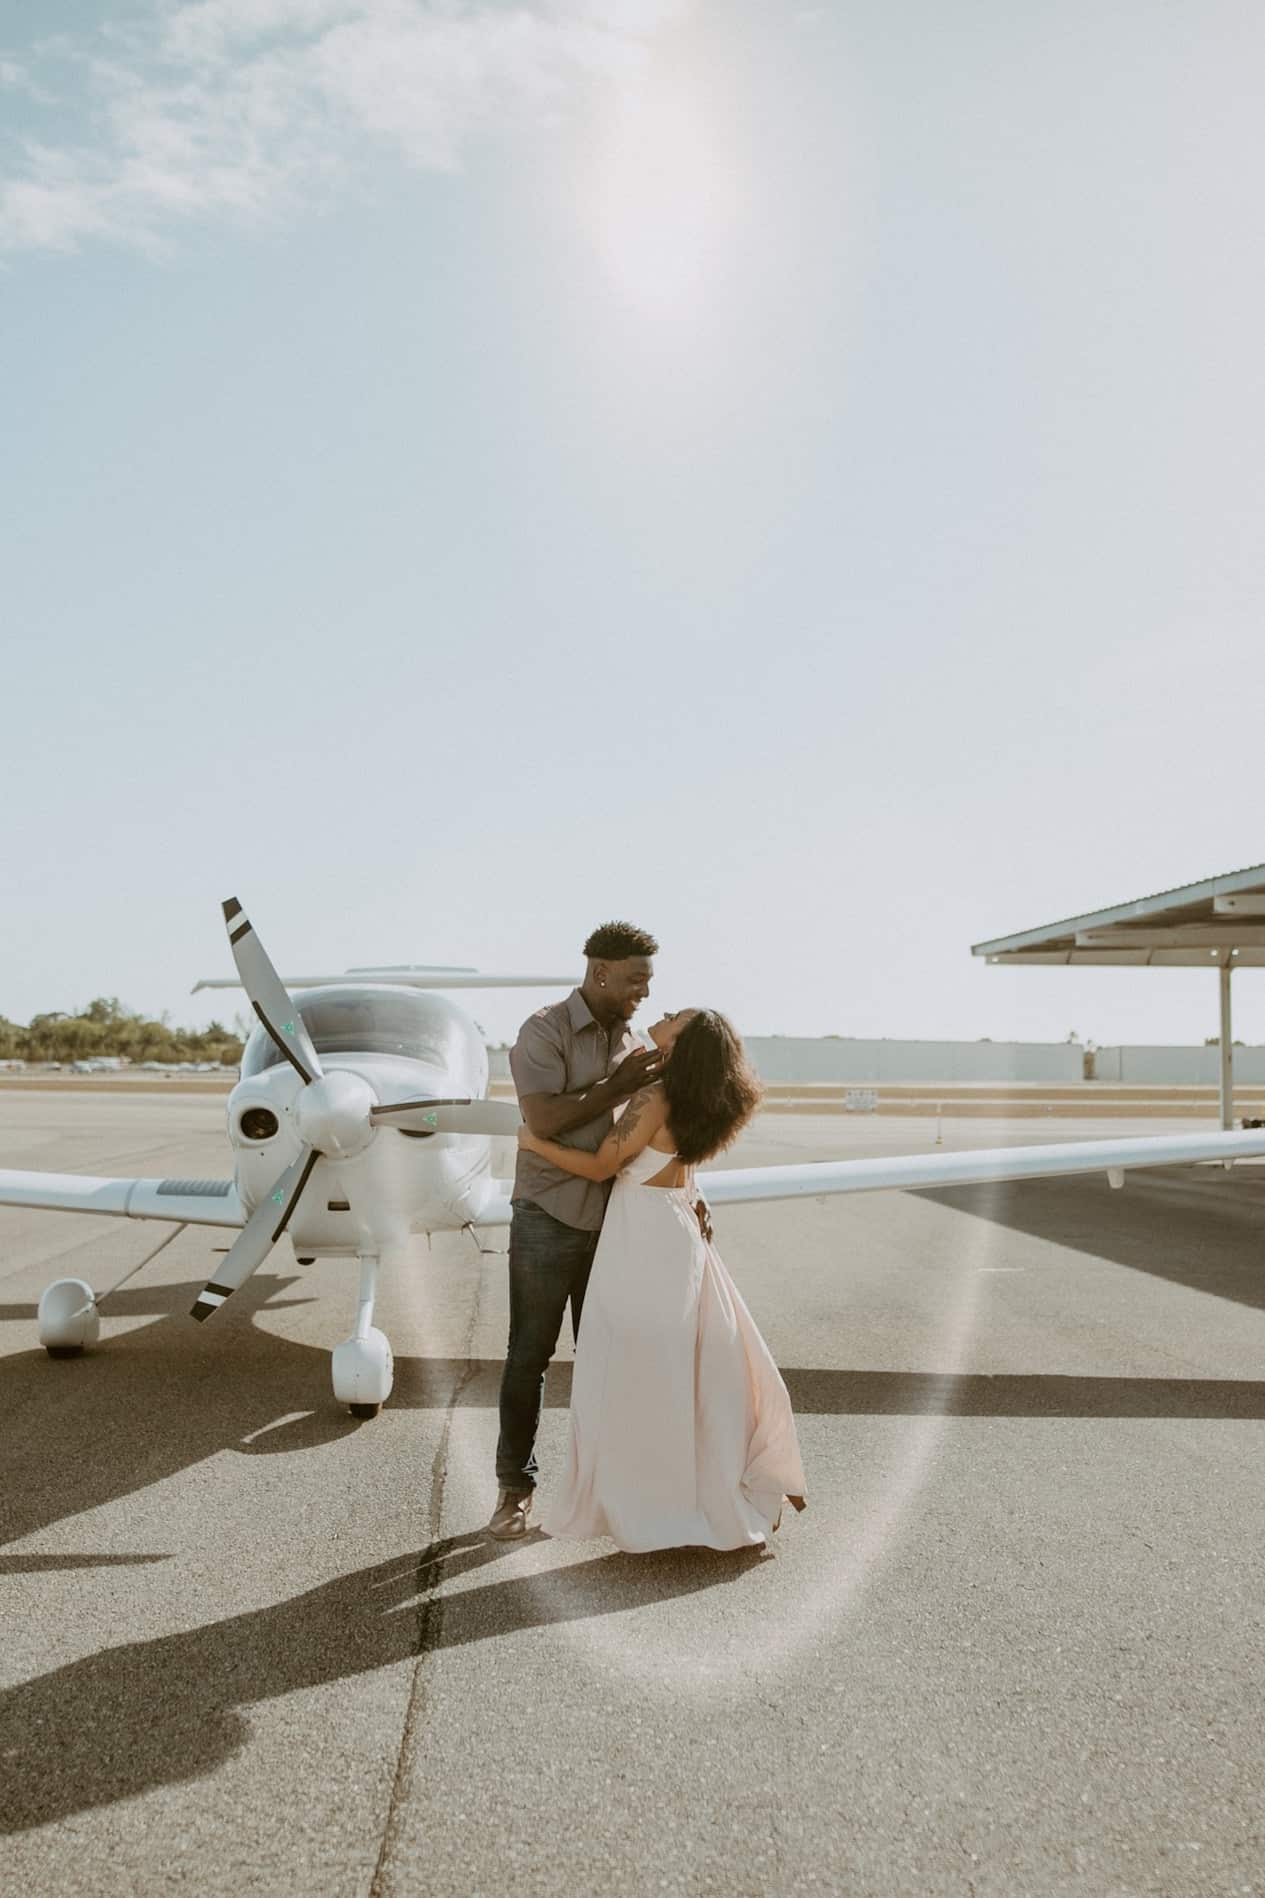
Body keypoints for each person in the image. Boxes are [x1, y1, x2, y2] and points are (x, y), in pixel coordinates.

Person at [516, 1008, 807, 1553]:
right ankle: (692, 1497)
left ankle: (648, 1504)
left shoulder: (655, 1099)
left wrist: (534, 1145)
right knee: (684, 1373)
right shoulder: (698, 1099)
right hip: (676, 1226)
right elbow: (680, 1173)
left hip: (642, 1237)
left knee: (634, 1374)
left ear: (684, 1043)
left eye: (678, 1017)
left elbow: (603, 1167)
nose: (667, 1012)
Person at [488, 921, 664, 1540]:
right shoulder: (542, 1030)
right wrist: (614, 1087)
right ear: (600, 972)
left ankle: (607, 1491)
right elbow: (542, 1116)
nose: (645, 990)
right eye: (636, 977)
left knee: (607, 1361)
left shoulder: (636, 1037)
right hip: (546, 1215)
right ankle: (515, 1490)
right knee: (528, 1357)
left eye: (648, 978)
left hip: (614, 1221)